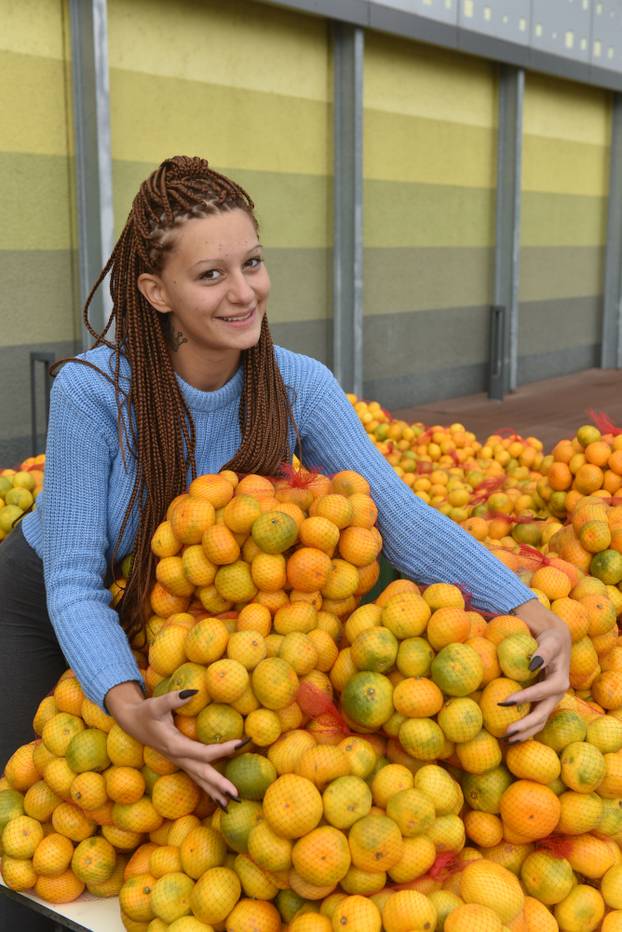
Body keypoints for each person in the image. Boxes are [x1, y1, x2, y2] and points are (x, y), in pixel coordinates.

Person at [0, 155, 570, 928]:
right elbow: (70, 577)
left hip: (179, 614)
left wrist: (532, 608)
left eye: (253, 263)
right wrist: (125, 703)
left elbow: (398, 517)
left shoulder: (296, 383)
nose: (243, 293)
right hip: (46, 596)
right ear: (155, 291)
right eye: (211, 275)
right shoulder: (95, 392)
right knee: (30, 821)